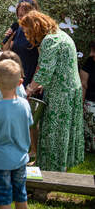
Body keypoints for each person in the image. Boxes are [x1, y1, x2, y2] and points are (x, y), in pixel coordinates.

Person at [19, 11, 84, 171]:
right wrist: (41, 84)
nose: (27, 36)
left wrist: (28, 90)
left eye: (28, 32)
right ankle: (54, 165)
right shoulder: (60, 35)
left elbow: (45, 70)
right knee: (63, 132)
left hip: (60, 94)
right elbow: (58, 67)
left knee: (54, 133)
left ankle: (51, 172)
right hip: (69, 90)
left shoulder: (50, 40)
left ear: (36, 27)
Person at [0, 59, 32, 209]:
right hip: (21, 159)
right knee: (20, 195)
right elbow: (29, 125)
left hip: (0, 160)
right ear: (20, 82)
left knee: (3, 198)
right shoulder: (25, 104)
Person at [2, 0, 40, 88]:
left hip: (30, 76)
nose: (20, 18)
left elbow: (42, 60)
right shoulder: (17, 28)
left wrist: (35, 82)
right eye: (19, 16)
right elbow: (5, 51)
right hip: (16, 74)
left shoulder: (37, 32)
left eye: (23, 15)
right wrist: (9, 37)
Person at [82, 41, 95, 152]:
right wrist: (81, 104)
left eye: (94, 51)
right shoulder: (89, 62)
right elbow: (83, 85)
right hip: (90, 102)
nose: (91, 54)